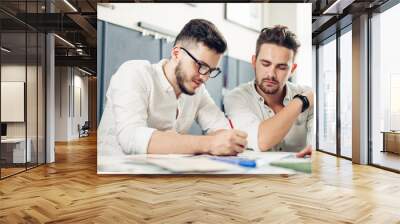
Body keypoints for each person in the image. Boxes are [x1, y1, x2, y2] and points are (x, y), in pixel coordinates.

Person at [98, 19, 247, 156]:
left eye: (211, 71)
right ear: (176, 53)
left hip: (157, 178)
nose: (205, 77)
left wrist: (229, 140)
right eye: (201, 66)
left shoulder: (197, 91)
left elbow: (221, 130)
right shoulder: (134, 72)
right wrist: (208, 143)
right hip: (113, 173)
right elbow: (130, 138)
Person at [224, 25, 313, 157]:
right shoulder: (236, 98)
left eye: (281, 67)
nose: (271, 74)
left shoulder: (307, 92)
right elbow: (261, 140)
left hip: (298, 176)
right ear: (254, 62)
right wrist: (302, 101)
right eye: (265, 64)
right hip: (255, 177)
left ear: (292, 69)